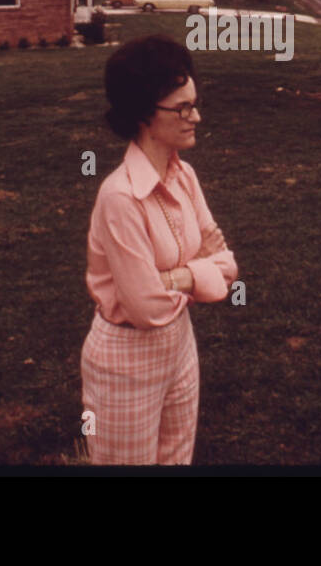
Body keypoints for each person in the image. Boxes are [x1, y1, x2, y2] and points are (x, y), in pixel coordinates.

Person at [81, 35, 239, 464]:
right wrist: (197, 271)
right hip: (125, 361)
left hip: (180, 348)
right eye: (183, 108)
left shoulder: (184, 176)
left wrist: (175, 278)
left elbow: (228, 266)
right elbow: (146, 308)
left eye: (195, 103)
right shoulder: (120, 198)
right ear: (144, 113)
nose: (197, 117)